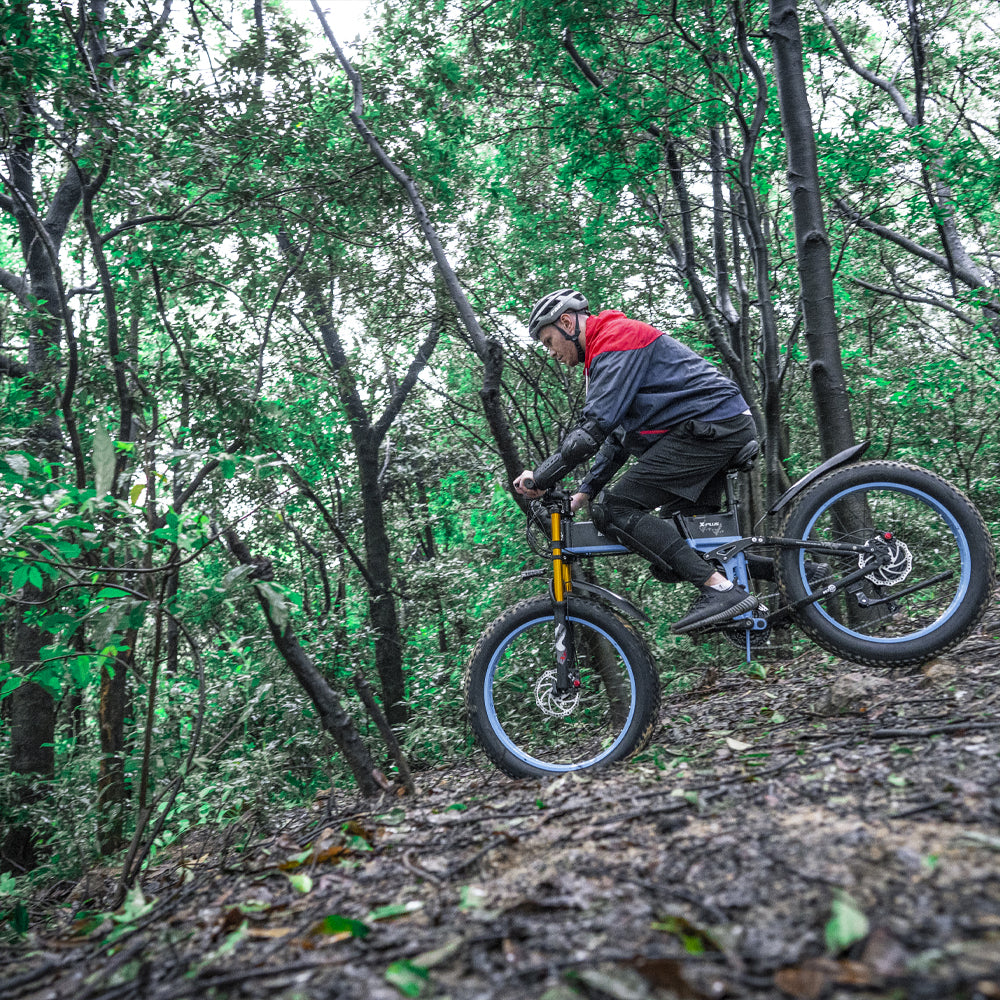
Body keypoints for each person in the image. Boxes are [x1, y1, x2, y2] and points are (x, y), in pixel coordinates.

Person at [512, 288, 759, 634]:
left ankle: (722, 592)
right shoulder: (607, 351)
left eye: (550, 341)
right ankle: (800, 574)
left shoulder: (616, 340)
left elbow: (592, 432)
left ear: (567, 323)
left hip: (713, 426)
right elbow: (618, 437)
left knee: (613, 510)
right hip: (712, 426)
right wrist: (583, 493)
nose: (551, 352)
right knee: (674, 545)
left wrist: (540, 477)